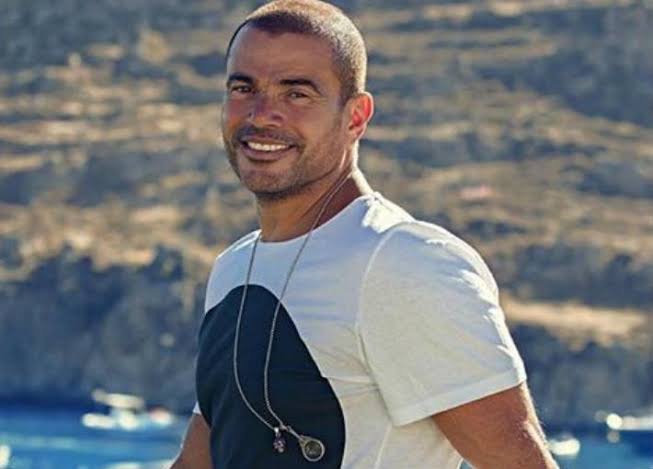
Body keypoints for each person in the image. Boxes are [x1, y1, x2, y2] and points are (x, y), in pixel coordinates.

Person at [170, 1, 559, 468]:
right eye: (243, 88)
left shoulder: (404, 263)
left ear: (355, 117)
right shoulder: (234, 267)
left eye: (297, 94)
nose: (262, 113)